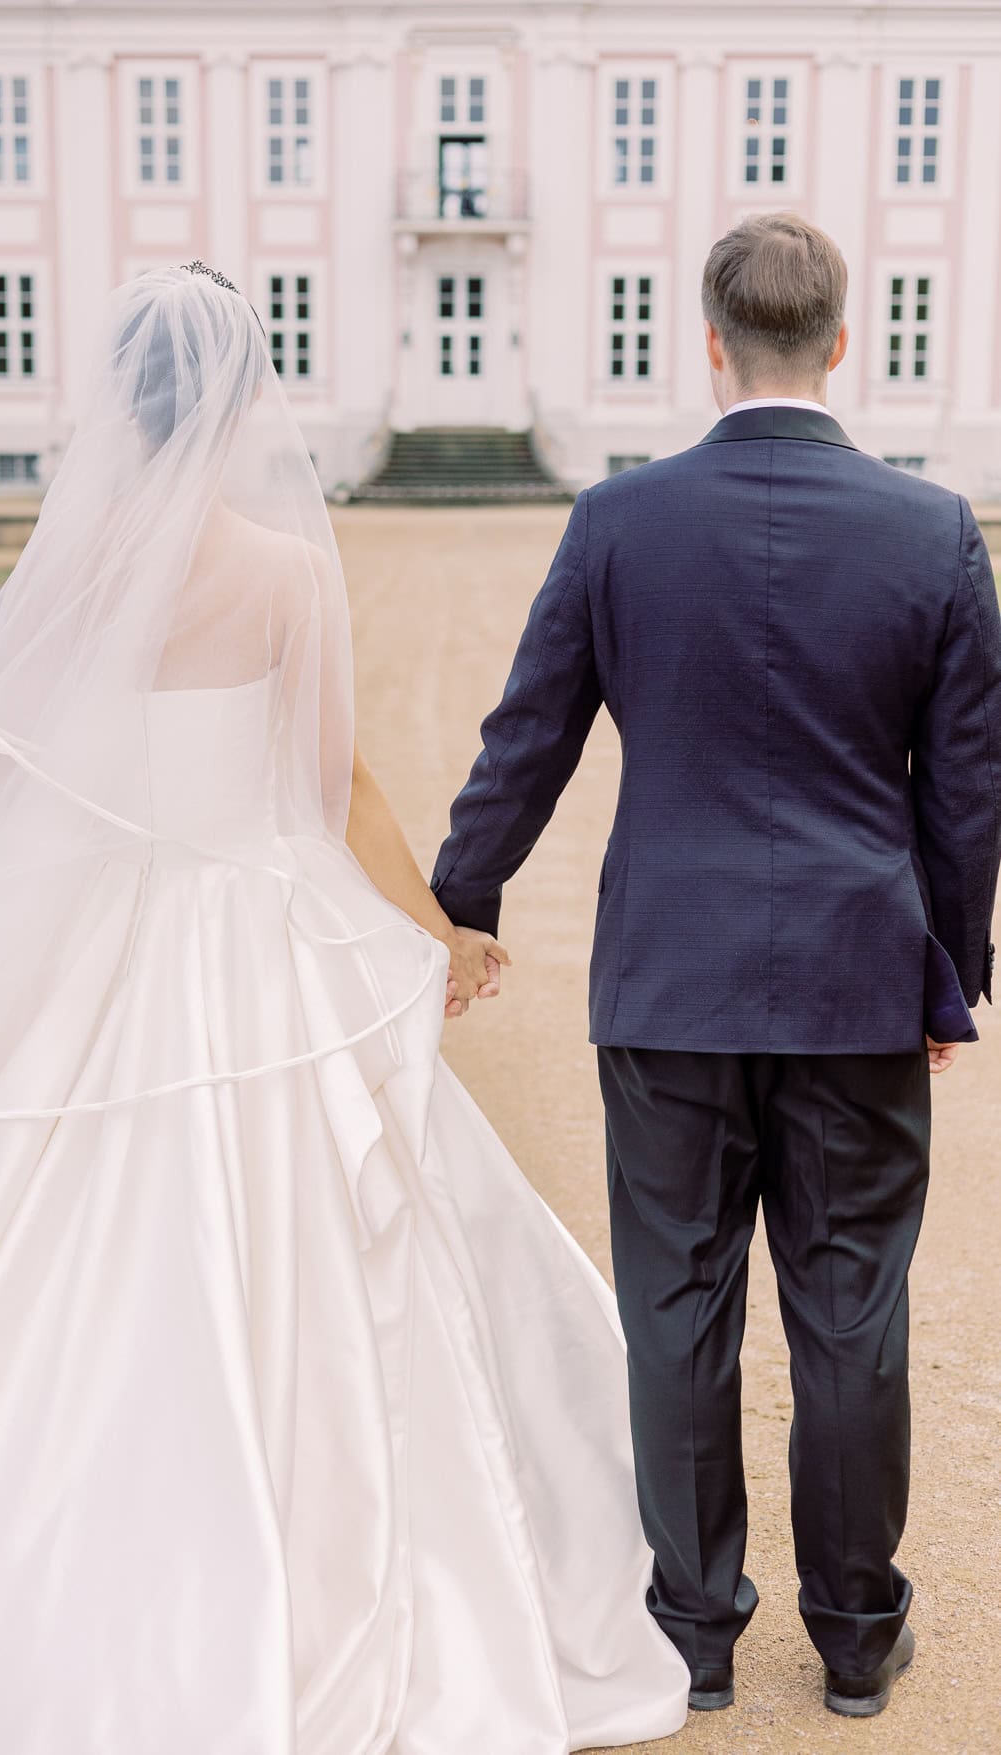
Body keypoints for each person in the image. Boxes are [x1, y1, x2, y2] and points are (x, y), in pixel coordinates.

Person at [0, 264, 689, 1753]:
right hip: (245, 939)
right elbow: (328, 789)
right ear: (236, 401)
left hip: (88, 942)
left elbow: (3, 784)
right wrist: (438, 930)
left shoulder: (73, 560)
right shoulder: (282, 567)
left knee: (21, 1240)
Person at [432, 211, 1001, 1719]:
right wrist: (946, 969)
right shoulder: (931, 529)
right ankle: (855, 1635)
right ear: (836, 343)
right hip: (850, 978)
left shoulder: (619, 522)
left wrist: (459, 898)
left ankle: (691, 1633)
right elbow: (964, 790)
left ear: (705, 343)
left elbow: (528, 736)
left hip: (669, 982)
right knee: (851, 1313)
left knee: (675, 1313)